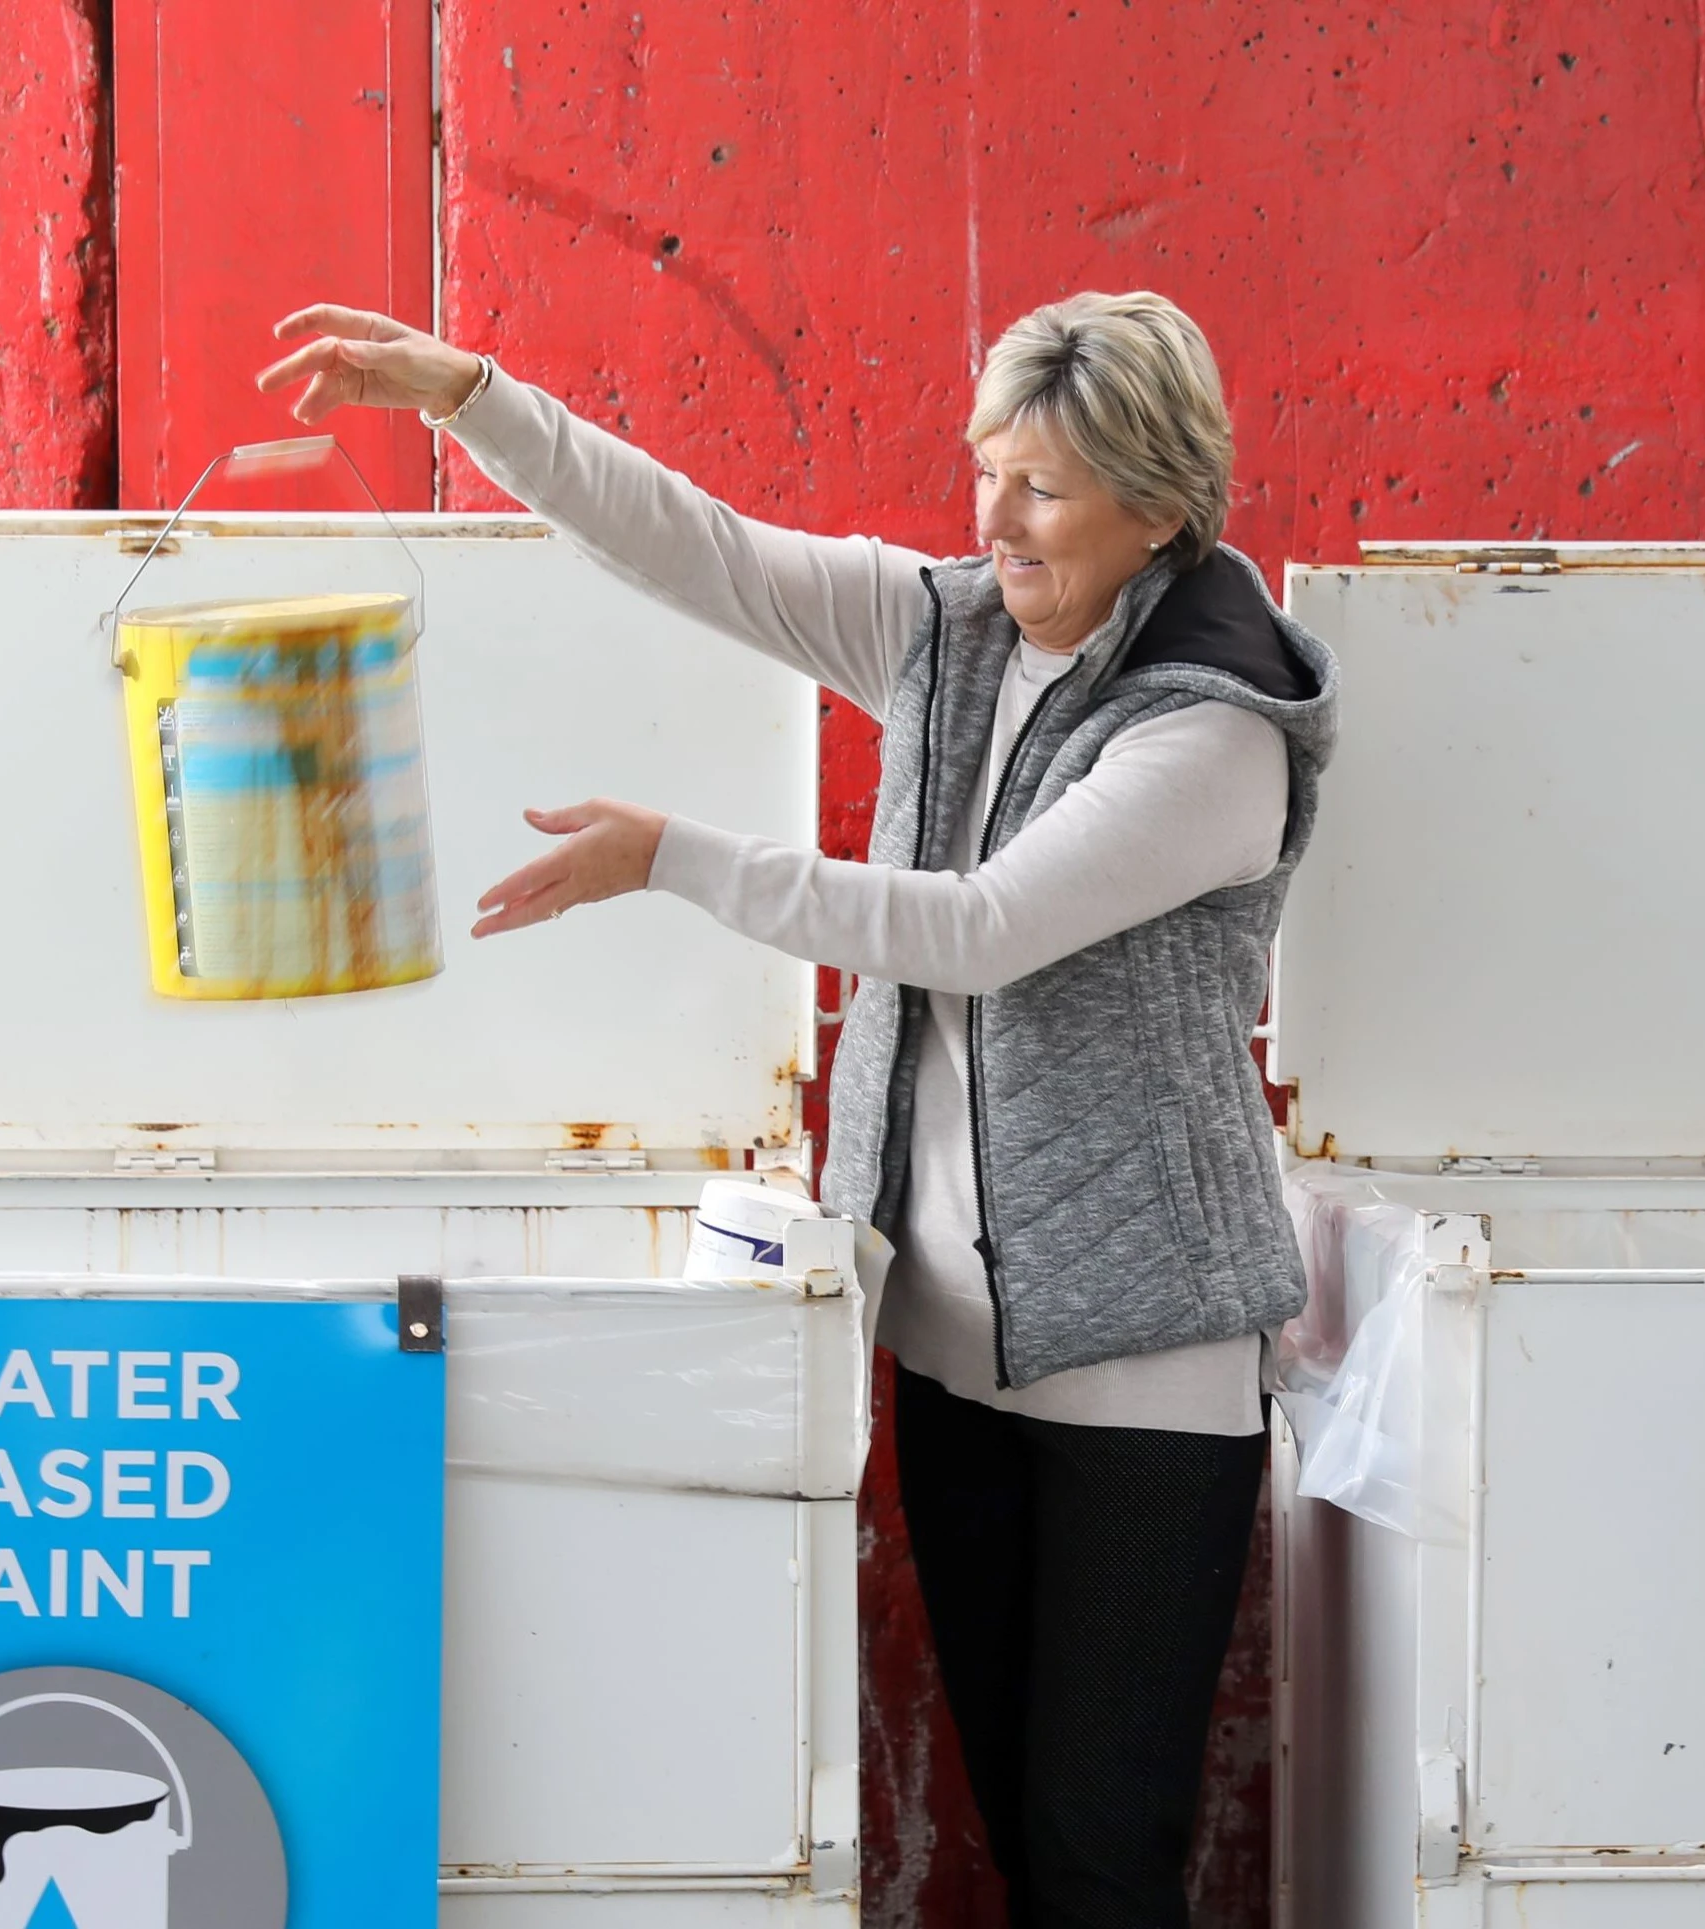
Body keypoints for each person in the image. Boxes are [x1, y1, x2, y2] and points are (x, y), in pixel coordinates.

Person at [259, 290, 1337, 1929]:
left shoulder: (1212, 729)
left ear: (1159, 510)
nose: (992, 517)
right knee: (1015, 1837)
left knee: (1103, 1859)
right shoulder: (950, 625)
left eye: (1042, 487)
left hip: (1146, 1369)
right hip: (956, 1351)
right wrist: (473, 393)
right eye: (987, 470)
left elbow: (978, 925)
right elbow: (701, 550)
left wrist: (675, 858)